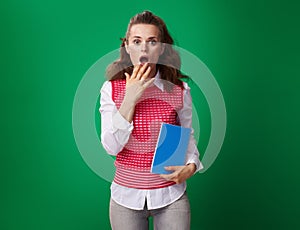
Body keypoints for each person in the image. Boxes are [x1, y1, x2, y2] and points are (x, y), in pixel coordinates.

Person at [99, 10, 203, 230]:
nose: (144, 48)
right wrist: (130, 99)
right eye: (137, 41)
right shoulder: (111, 88)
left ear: (162, 48)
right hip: (125, 199)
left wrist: (192, 166)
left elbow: (188, 136)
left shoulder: (179, 90)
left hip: (171, 196)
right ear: (127, 46)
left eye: (152, 41)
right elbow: (111, 147)